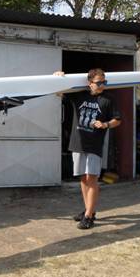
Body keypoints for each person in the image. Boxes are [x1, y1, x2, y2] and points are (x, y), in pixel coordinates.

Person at [56, 68, 121, 229]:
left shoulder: (108, 99)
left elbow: (117, 120)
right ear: (90, 83)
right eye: (99, 82)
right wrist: (58, 78)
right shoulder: (79, 95)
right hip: (78, 143)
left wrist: (105, 124)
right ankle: (89, 210)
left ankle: (88, 217)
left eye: (104, 82)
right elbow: (59, 93)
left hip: (94, 145)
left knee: (92, 179)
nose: (102, 85)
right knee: (83, 179)